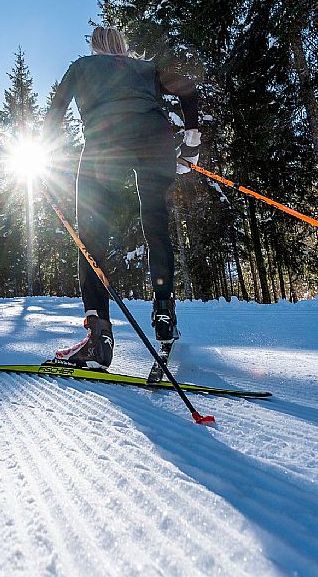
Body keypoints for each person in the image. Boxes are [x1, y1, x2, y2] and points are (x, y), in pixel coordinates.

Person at [43, 26, 201, 369]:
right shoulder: (145, 69)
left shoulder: (83, 67)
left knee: (93, 235)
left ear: (95, 46)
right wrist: (191, 145)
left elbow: (56, 112)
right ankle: (163, 312)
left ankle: (99, 337)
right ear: (123, 47)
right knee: (156, 225)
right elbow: (187, 89)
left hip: (105, 144)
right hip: (154, 140)